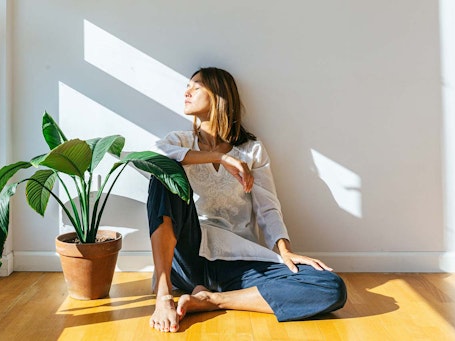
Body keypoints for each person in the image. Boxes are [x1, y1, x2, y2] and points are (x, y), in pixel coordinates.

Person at [147, 67, 346, 333]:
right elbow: (152, 156)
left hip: (235, 261)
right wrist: (219, 158)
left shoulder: (252, 150)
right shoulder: (179, 141)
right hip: (188, 257)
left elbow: (267, 207)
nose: (187, 91)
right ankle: (164, 297)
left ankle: (212, 299)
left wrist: (284, 250)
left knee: (329, 286)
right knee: (163, 173)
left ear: (218, 95)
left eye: (196, 86)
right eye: (188, 86)